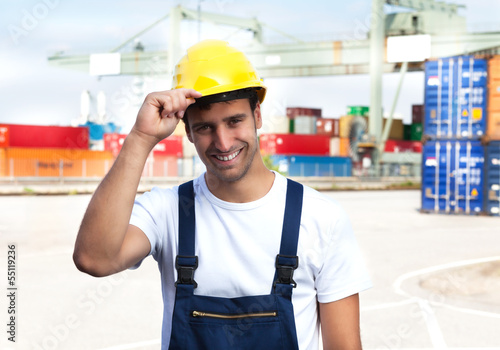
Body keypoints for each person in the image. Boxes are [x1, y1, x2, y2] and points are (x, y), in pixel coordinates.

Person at [73, 39, 372, 350]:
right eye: (204, 127)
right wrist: (140, 137)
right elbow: (94, 259)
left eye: (234, 121)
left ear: (257, 116)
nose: (223, 142)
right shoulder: (167, 211)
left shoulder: (321, 218)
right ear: (187, 131)